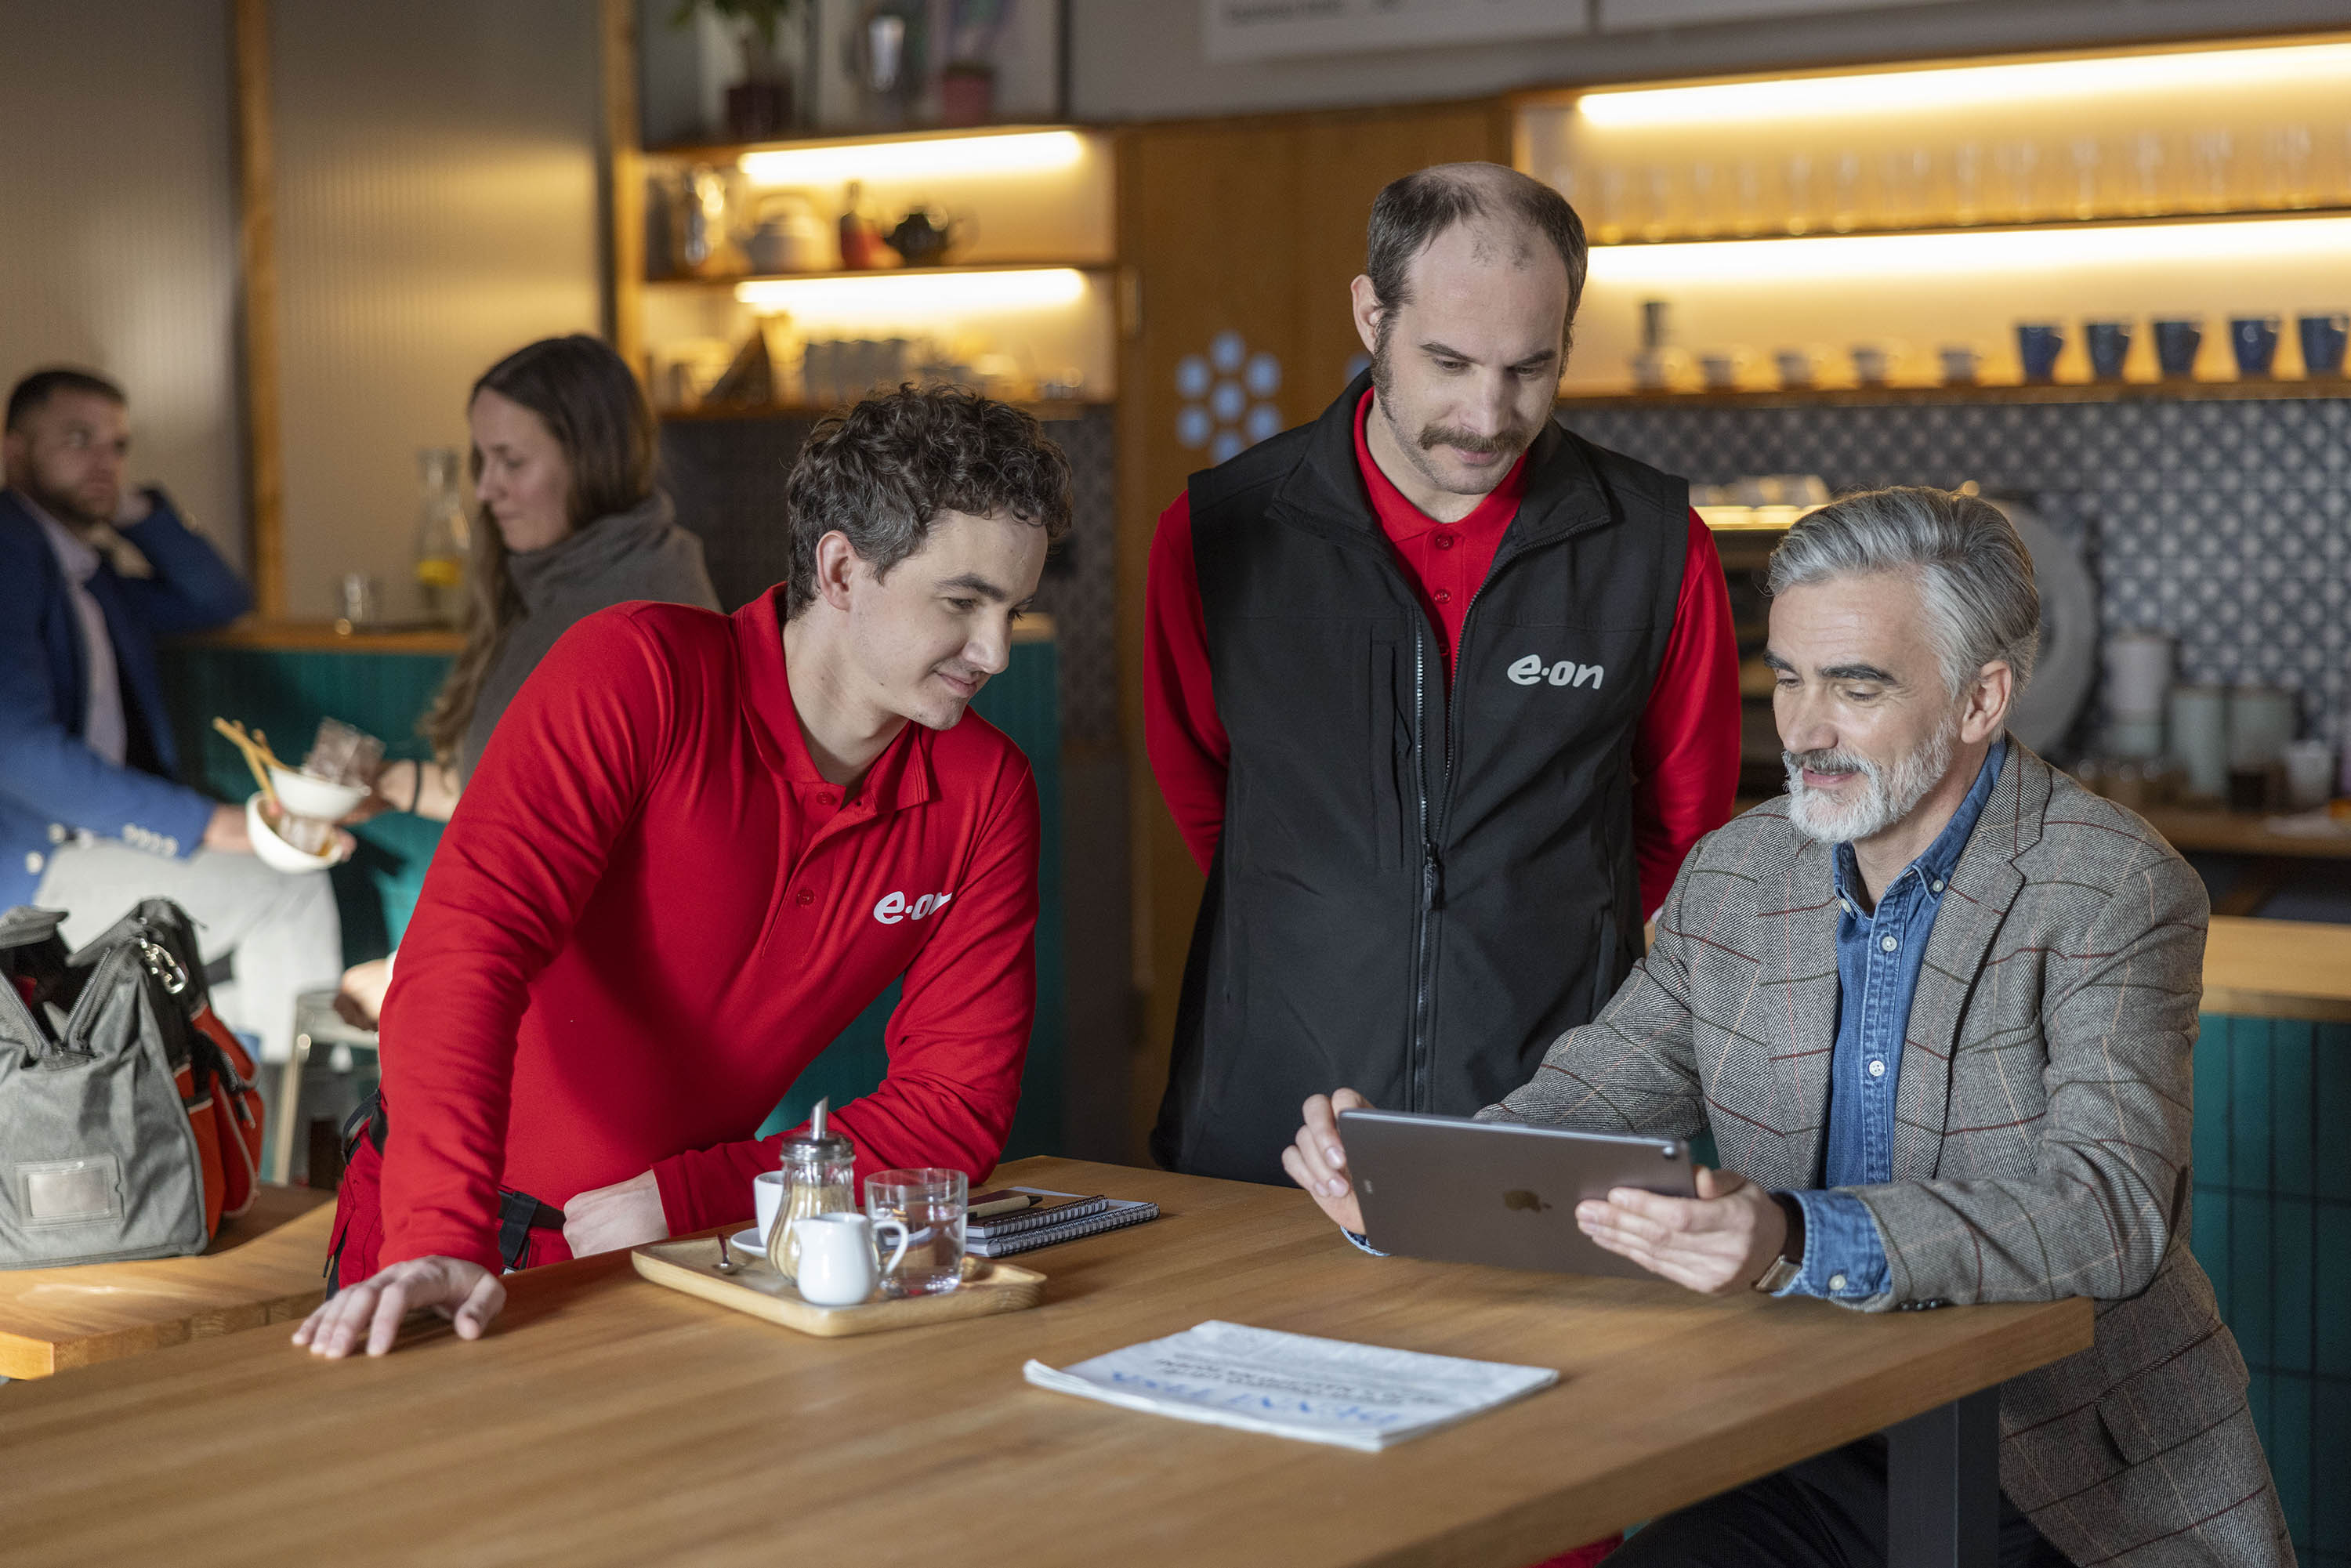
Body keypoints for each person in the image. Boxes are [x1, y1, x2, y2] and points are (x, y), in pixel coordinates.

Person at [1283, 487, 2291, 1567]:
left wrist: (1798, 1241)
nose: (1805, 729)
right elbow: (1593, 1097)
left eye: (1856, 688)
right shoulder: (1737, 874)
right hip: (1799, 1444)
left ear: (1980, 698)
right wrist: (1402, 1179)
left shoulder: (2113, 885)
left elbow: (2111, 1211)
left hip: (2052, 1475)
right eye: (1793, 676)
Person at [296, 385, 1070, 1358]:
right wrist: (439, 1234)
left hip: (678, 1252)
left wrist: (694, 1199)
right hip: (437, 1232)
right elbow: (464, 952)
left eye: (1016, 609)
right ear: (839, 569)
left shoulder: (985, 790)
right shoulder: (638, 674)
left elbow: (950, 1106)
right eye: (963, 603)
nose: (996, 651)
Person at [1145, 161, 1739, 1186]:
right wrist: (1345, 916)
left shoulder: (1655, 547)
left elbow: (1686, 824)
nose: (1488, 413)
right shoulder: (1219, 534)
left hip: (1554, 1116)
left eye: (1529, 369)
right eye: (1450, 362)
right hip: (1269, 1113)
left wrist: (1523, 925)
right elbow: (1208, 793)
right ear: (1371, 314)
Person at [335, 335, 719, 1024]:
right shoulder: (558, 574)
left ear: (591, 462)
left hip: (599, 1004)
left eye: (511, 461)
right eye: (483, 460)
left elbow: (605, 863)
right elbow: (529, 790)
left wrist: (422, 965)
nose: (484, 488)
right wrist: (391, 784)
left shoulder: (638, 612)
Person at [0, 367, 342, 1066]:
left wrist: (132, 508)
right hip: (30, 868)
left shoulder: (87, 572)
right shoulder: (8, 553)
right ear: (13, 450)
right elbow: (19, 749)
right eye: (77, 440)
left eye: (116, 446)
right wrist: (209, 826)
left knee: (254, 952)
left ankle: (253, 1125)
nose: (103, 460)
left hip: (92, 852)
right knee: (288, 894)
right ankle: (309, 1138)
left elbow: (217, 597)